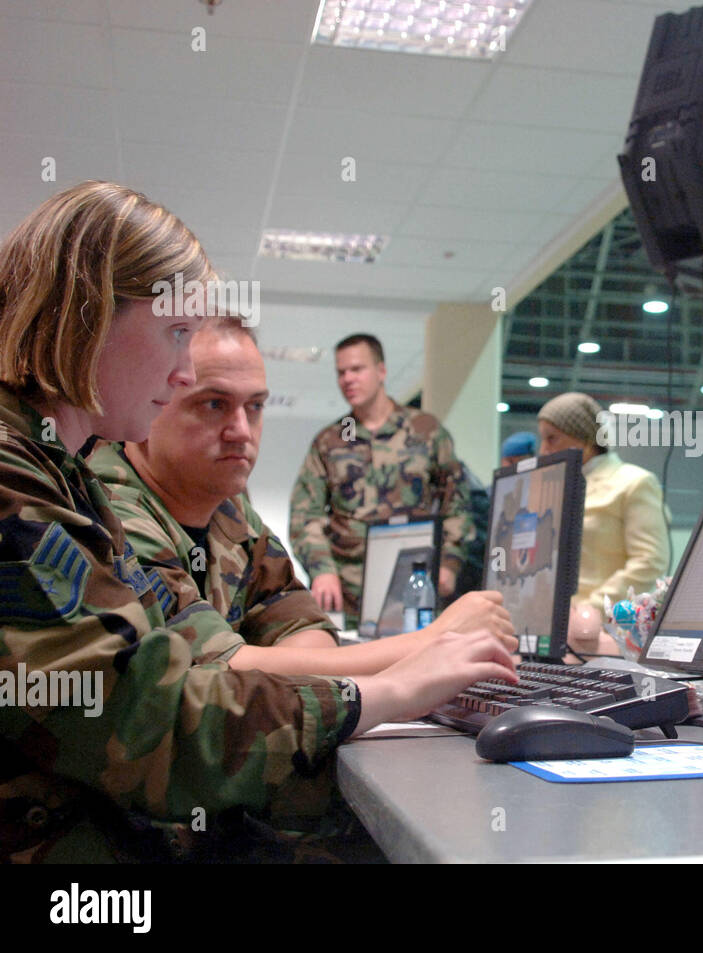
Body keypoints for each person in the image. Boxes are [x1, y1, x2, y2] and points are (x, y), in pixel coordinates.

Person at [0, 182, 516, 862]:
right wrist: (387, 689)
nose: (182, 369)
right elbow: (147, 724)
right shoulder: (20, 476)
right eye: (176, 333)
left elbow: (223, 652)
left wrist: (385, 684)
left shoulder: (68, 474)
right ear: (94, 313)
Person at [87, 315, 514, 675]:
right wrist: (436, 641)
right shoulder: (107, 512)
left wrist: (449, 570)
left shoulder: (231, 514)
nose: (241, 431)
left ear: (381, 372)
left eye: (255, 406)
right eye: (214, 404)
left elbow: (306, 632)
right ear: (152, 401)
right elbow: (216, 669)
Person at [290, 333, 475, 625]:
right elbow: (305, 516)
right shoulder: (329, 441)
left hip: (415, 592)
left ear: (381, 371)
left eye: (357, 369)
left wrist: (450, 563)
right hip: (349, 600)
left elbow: (458, 503)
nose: (348, 379)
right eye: (341, 372)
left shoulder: (426, 431)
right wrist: (322, 569)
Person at [536, 393, 671, 616]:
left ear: (584, 437)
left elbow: (650, 562)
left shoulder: (634, 482)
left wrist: (592, 609)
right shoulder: (556, 487)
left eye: (552, 438)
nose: (543, 450)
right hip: (555, 621)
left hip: (606, 627)